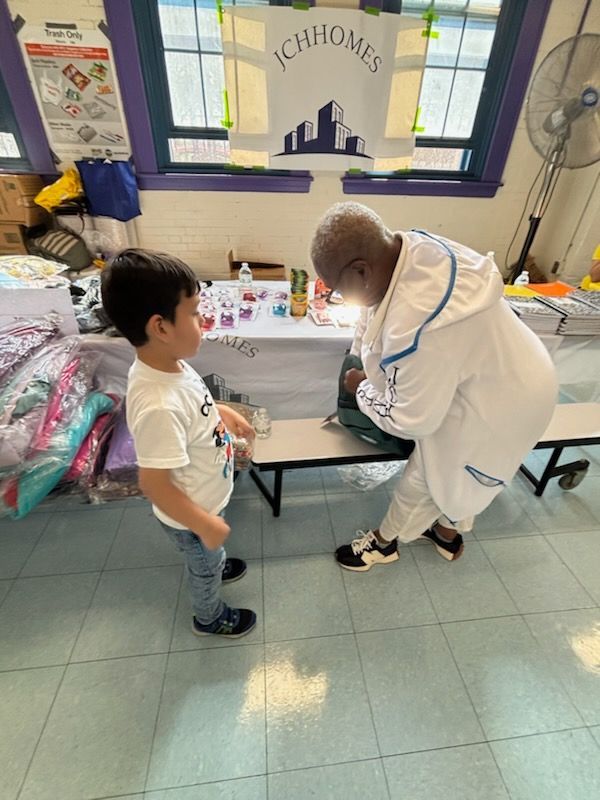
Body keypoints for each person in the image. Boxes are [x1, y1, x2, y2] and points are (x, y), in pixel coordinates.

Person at [310, 203, 558, 571]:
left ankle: (383, 544)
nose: (337, 297)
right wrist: (360, 358)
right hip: (519, 371)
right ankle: (445, 532)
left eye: (335, 289)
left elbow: (411, 421)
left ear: (361, 270)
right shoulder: (409, 250)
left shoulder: (422, 324)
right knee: (460, 476)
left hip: (501, 404)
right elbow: (371, 315)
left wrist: (361, 389)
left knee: (431, 472)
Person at [101, 248, 257, 637]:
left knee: (210, 553)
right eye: (193, 311)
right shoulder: (157, 404)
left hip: (206, 499)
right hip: (191, 516)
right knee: (202, 570)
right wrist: (203, 524)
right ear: (162, 327)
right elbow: (154, 484)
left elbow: (194, 405)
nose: (201, 319)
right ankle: (210, 617)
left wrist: (221, 411)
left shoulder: (169, 365)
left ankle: (214, 557)